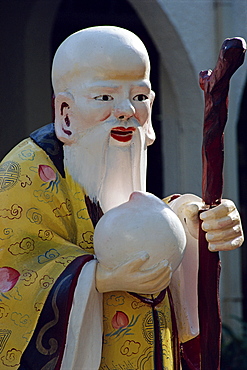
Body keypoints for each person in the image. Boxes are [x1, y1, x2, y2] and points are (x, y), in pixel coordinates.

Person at [0, 26, 243, 370]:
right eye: (104, 97)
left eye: (140, 97)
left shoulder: (117, 153)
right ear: (65, 113)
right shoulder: (25, 171)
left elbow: (132, 217)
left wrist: (194, 224)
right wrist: (101, 279)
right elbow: (15, 275)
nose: (126, 111)